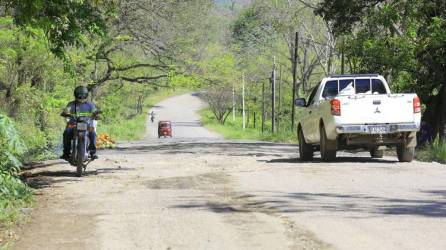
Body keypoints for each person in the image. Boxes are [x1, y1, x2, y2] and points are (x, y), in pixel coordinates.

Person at [60, 86, 100, 161]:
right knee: (66, 133)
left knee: (93, 133)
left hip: (87, 125)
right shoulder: (71, 104)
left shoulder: (90, 104)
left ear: (86, 95)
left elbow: (95, 111)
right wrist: (65, 113)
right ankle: (66, 153)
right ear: (76, 95)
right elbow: (66, 110)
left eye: (83, 95)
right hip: (73, 124)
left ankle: (93, 153)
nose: (81, 97)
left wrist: (96, 115)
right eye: (79, 95)